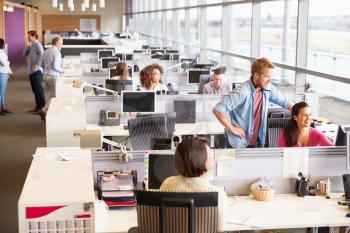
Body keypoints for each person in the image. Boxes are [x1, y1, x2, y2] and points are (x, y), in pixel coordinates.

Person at [213, 57, 294, 148]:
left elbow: (285, 101)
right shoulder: (242, 92)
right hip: (239, 143)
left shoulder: (268, 87)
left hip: (257, 142)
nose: (269, 80)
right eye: (266, 77)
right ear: (256, 75)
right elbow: (218, 109)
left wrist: (302, 112)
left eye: (270, 77)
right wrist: (232, 129)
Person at [160, 138, 227, 232]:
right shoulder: (218, 195)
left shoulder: (167, 183)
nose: (212, 155)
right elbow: (220, 229)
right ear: (199, 159)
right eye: (209, 153)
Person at [41, 36, 64, 121]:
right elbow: (56, 66)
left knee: (51, 94)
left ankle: (51, 113)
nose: (62, 45)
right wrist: (62, 70)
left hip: (45, 76)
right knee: (55, 97)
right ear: (57, 43)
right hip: (53, 77)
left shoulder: (47, 50)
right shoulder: (57, 52)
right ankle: (44, 111)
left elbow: (42, 63)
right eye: (61, 43)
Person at [24, 30, 45, 115]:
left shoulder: (38, 45)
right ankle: (38, 106)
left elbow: (42, 55)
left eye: (29, 36)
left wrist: (36, 64)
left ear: (34, 36)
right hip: (31, 71)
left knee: (38, 89)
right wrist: (27, 47)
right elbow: (24, 54)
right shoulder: (31, 45)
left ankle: (42, 108)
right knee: (35, 90)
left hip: (36, 71)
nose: (28, 37)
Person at [0, 38, 13, 115]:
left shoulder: (3, 52)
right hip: (1, 73)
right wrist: (8, 62)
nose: (5, 44)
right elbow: (4, 63)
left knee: (3, 91)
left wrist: (10, 71)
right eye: (4, 43)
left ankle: (2, 107)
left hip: (4, 73)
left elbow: (6, 63)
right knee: (0, 92)